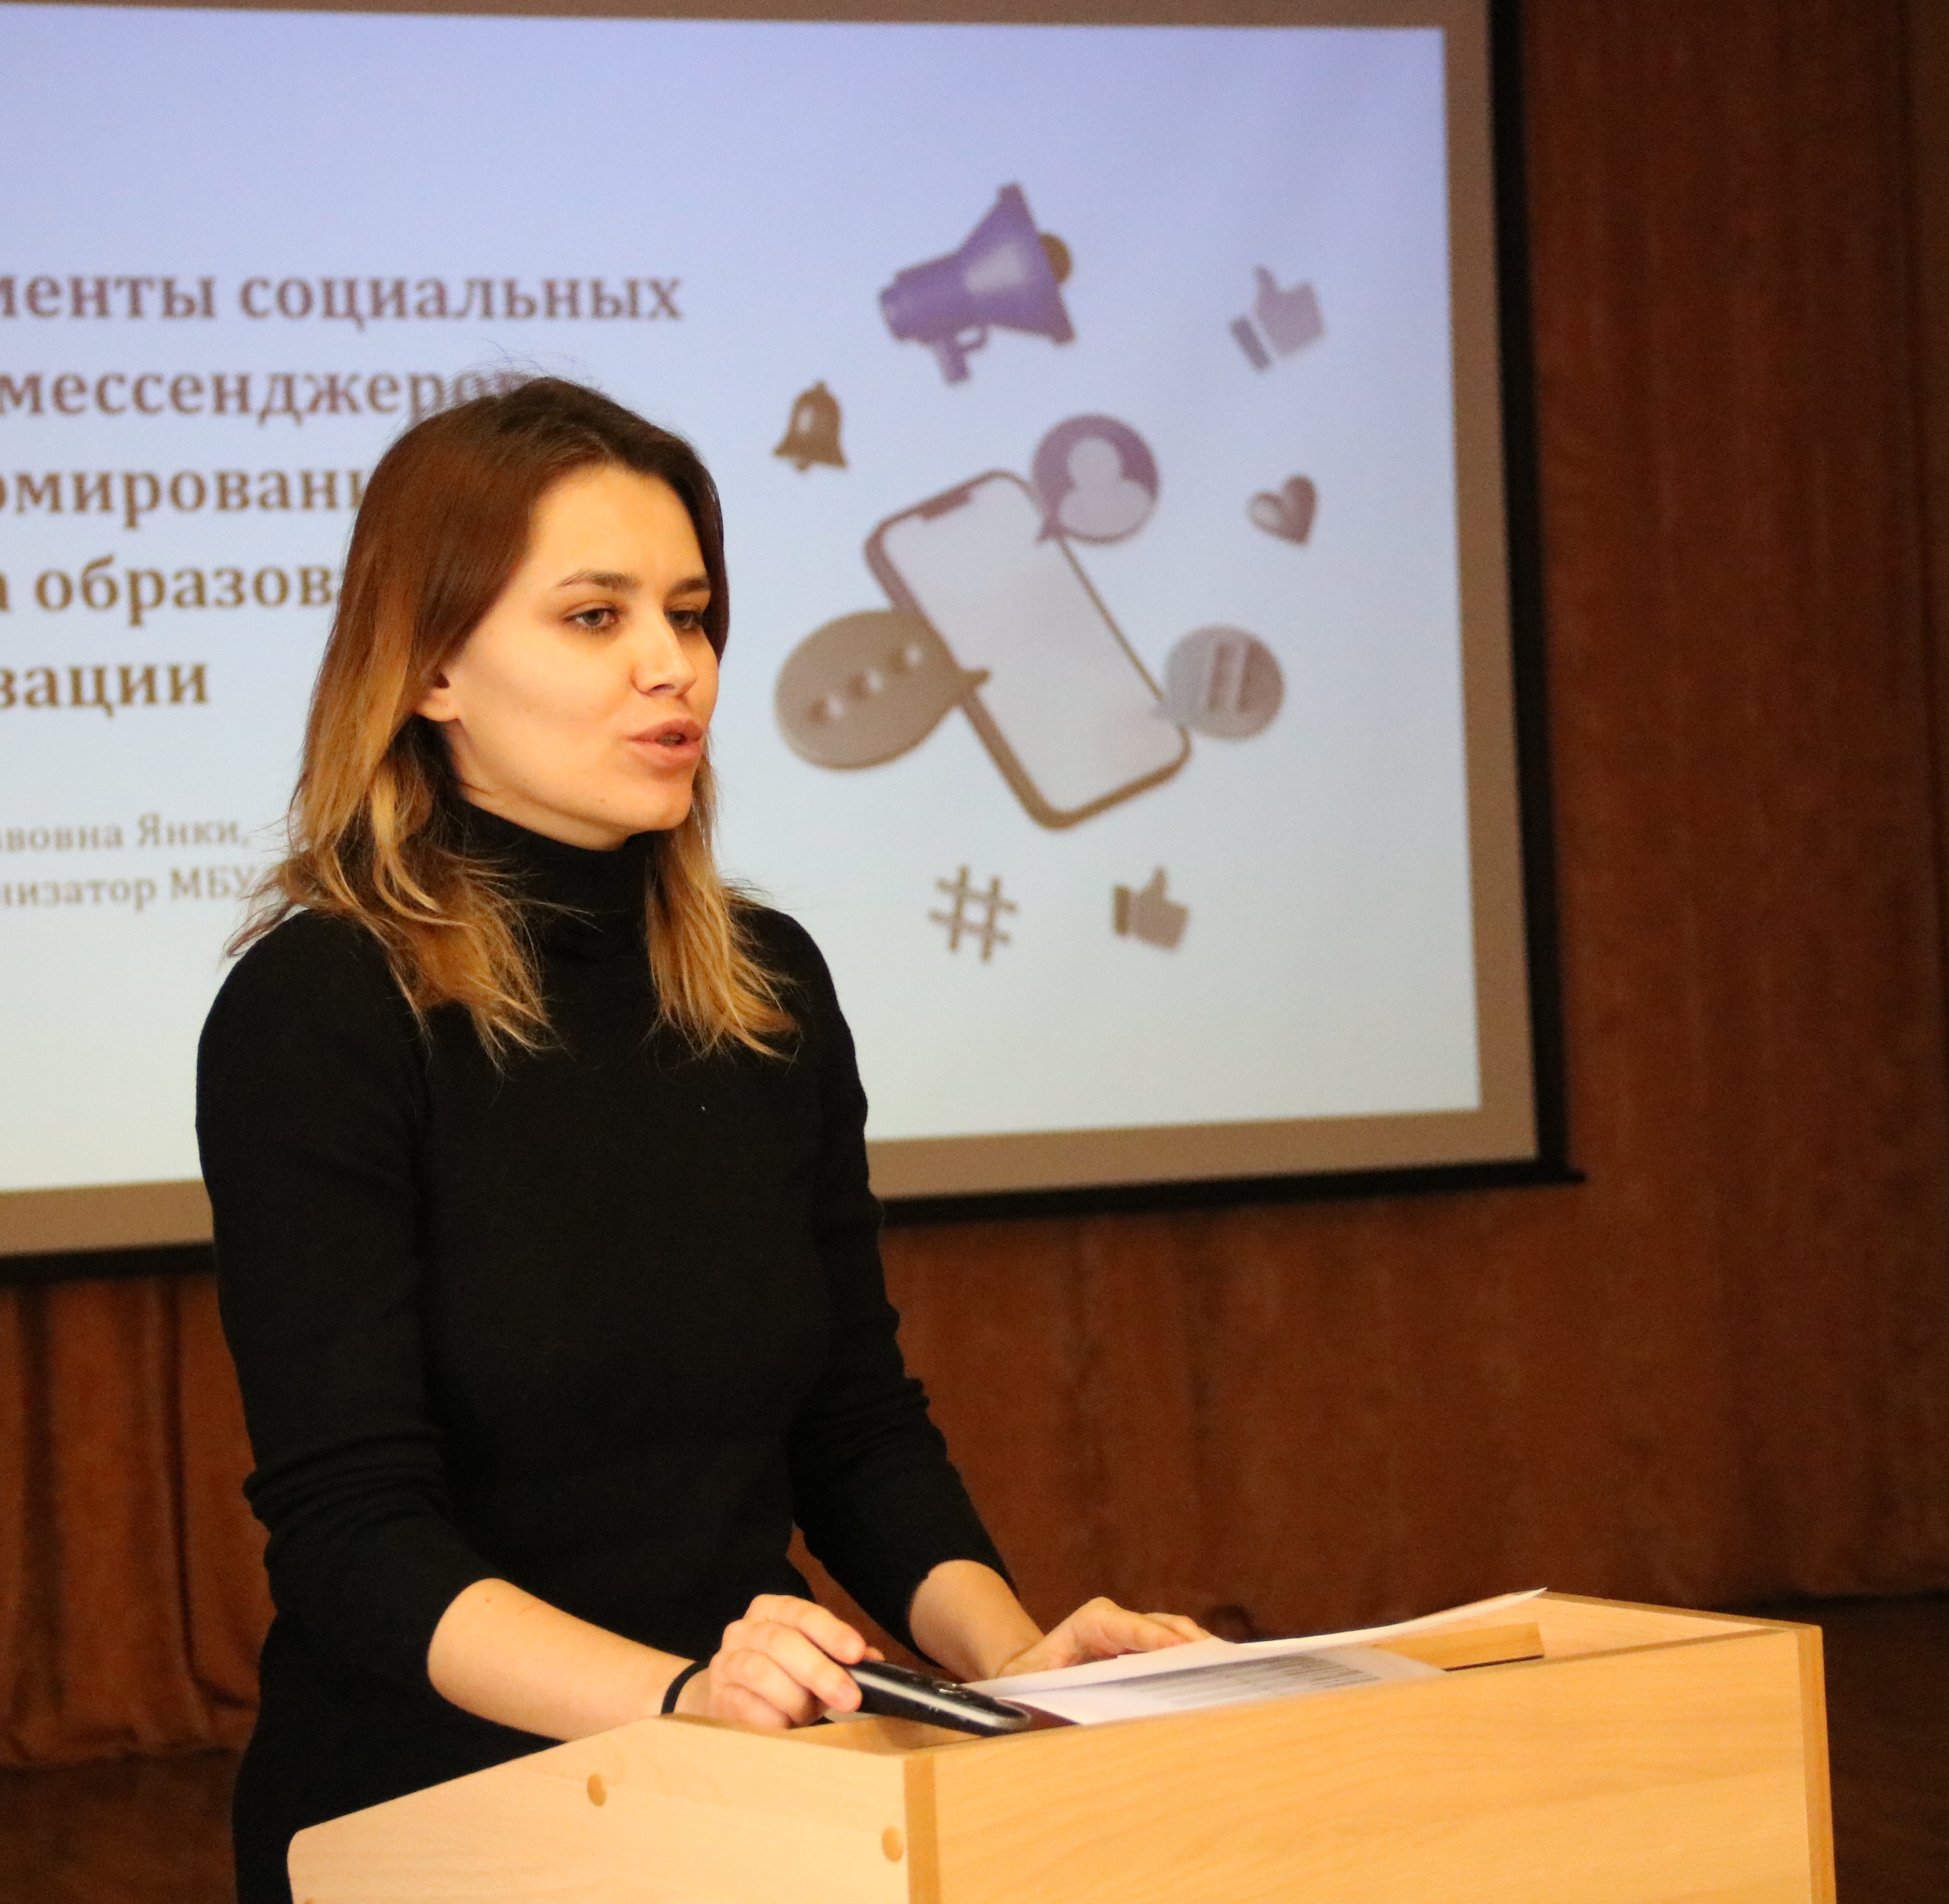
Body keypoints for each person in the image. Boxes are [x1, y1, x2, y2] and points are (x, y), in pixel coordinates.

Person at [197, 379, 1202, 1904]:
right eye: (595, 617)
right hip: (431, 1805)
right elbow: (355, 1538)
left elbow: (853, 1428)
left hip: (751, 1785)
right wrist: (678, 1700)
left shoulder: (767, 983)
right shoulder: (321, 1007)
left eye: (691, 613)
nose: (674, 664)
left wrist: (1017, 1664)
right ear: (431, 667)